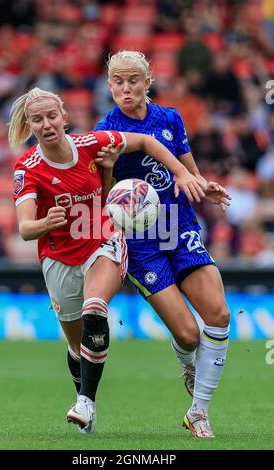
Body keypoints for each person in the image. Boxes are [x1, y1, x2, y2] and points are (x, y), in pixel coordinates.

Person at [9, 87, 207, 434]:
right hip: (59, 257)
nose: (47, 124)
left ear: (64, 117)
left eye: (52, 116)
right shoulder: (28, 168)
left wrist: (181, 172)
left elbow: (146, 142)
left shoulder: (91, 143)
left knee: (95, 307)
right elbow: (25, 229)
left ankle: (85, 403)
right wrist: (45, 222)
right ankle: (87, 400)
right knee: (76, 345)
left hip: (103, 241)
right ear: (30, 126)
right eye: (37, 120)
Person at [94, 51, 231, 438]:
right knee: (188, 335)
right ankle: (186, 359)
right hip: (140, 243)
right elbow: (103, 198)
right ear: (109, 85)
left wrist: (203, 186)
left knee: (218, 315)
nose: (126, 88)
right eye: (118, 81)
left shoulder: (170, 119)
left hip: (179, 226)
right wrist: (106, 166)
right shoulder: (107, 129)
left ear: (147, 80)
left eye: (133, 80)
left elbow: (189, 171)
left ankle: (198, 412)